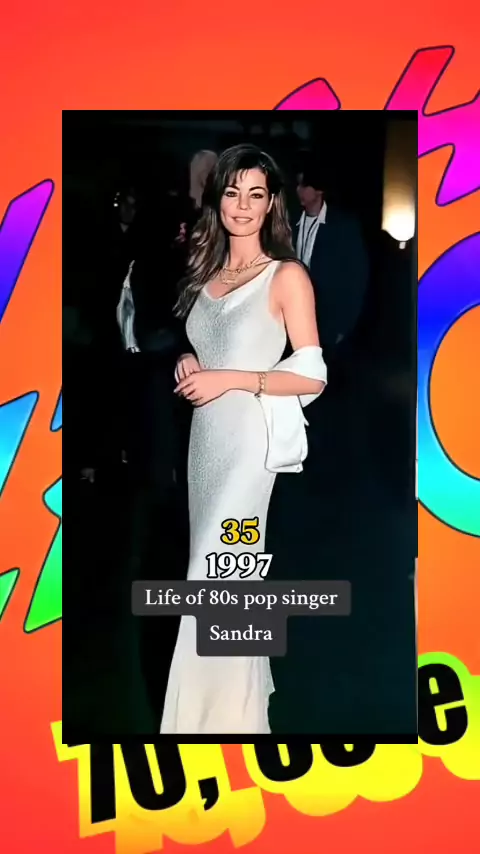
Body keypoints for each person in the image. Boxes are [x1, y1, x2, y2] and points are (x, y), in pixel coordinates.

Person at [160, 143, 328, 734]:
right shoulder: (206, 270)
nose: (242, 204)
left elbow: (313, 374)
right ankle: (235, 713)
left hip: (248, 451)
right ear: (218, 198)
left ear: (272, 202)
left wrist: (228, 378)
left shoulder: (286, 276)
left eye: (256, 193)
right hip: (205, 444)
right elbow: (207, 343)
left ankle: (210, 720)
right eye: (232, 192)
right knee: (222, 576)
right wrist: (188, 359)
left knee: (215, 575)